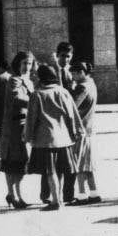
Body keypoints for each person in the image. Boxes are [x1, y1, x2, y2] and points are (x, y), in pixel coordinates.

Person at [25, 63, 83, 211]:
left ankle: (55, 201)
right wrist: (77, 131)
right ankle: (59, 198)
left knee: (50, 171)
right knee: (61, 169)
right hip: (64, 139)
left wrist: (27, 137)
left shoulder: (37, 95)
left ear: (41, 78)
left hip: (45, 140)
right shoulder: (63, 92)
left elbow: (31, 119)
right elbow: (72, 114)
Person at [0, 51, 35, 209]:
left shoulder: (29, 81)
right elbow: (16, 99)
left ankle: (16, 194)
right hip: (14, 127)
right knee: (12, 161)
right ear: (17, 64)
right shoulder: (14, 80)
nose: (27, 67)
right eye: (24, 63)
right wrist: (35, 100)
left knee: (22, 163)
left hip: (24, 125)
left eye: (30, 63)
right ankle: (13, 194)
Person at [68, 62, 101, 205]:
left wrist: (69, 90)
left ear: (81, 72)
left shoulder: (82, 87)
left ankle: (81, 195)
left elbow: (72, 106)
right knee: (87, 164)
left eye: (74, 73)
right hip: (87, 128)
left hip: (79, 128)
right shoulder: (91, 84)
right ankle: (94, 193)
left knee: (79, 164)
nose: (73, 77)